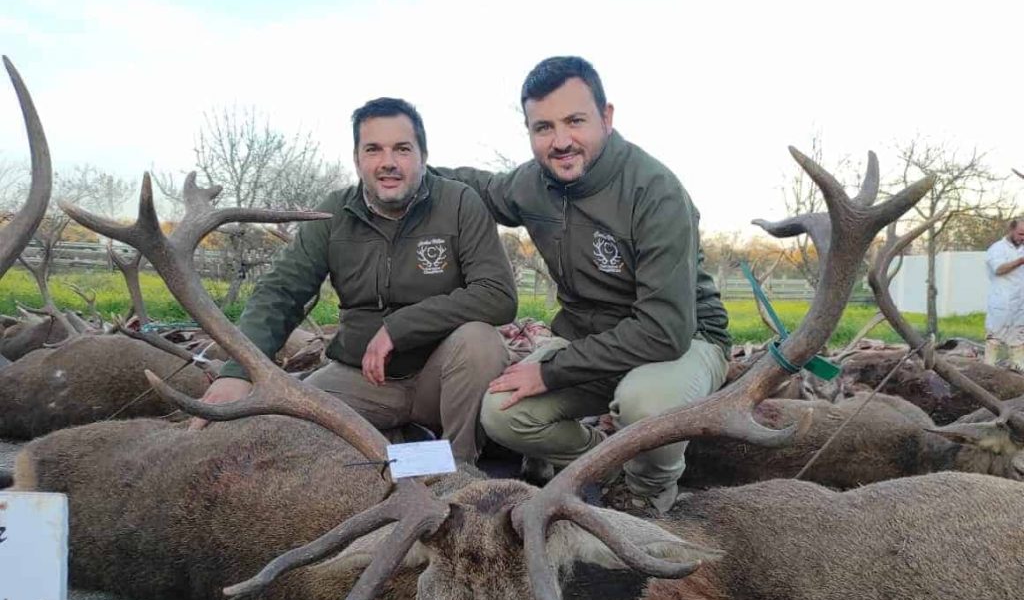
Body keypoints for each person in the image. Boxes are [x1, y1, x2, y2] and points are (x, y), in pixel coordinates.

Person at [436, 56, 731, 514]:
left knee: (644, 403)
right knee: (502, 413)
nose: (561, 141)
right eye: (543, 128)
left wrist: (549, 371)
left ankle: (649, 491)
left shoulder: (656, 192)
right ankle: (606, 464)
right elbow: (481, 188)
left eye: (575, 121)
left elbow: (664, 330)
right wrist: (409, 170)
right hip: (593, 343)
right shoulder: (533, 184)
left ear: (606, 117)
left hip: (684, 340)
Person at [195, 97, 518, 465]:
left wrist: (399, 328)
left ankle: (457, 468)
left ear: (423, 155)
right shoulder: (333, 214)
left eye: (402, 149)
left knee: (480, 341)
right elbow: (281, 291)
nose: (388, 163)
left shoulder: (460, 203)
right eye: (374, 149)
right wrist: (238, 371)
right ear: (357, 159)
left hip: (440, 382)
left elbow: (498, 296)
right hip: (362, 381)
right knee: (282, 425)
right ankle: (403, 450)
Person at [984, 219, 1024, 368]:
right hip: (1001, 303)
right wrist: (1020, 261)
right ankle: (988, 371)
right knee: (994, 339)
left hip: (1020, 304)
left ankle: (1019, 373)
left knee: (1019, 341)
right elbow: (999, 269)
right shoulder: (997, 249)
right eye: (1021, 234)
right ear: (1011, 230)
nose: (1023, 238)